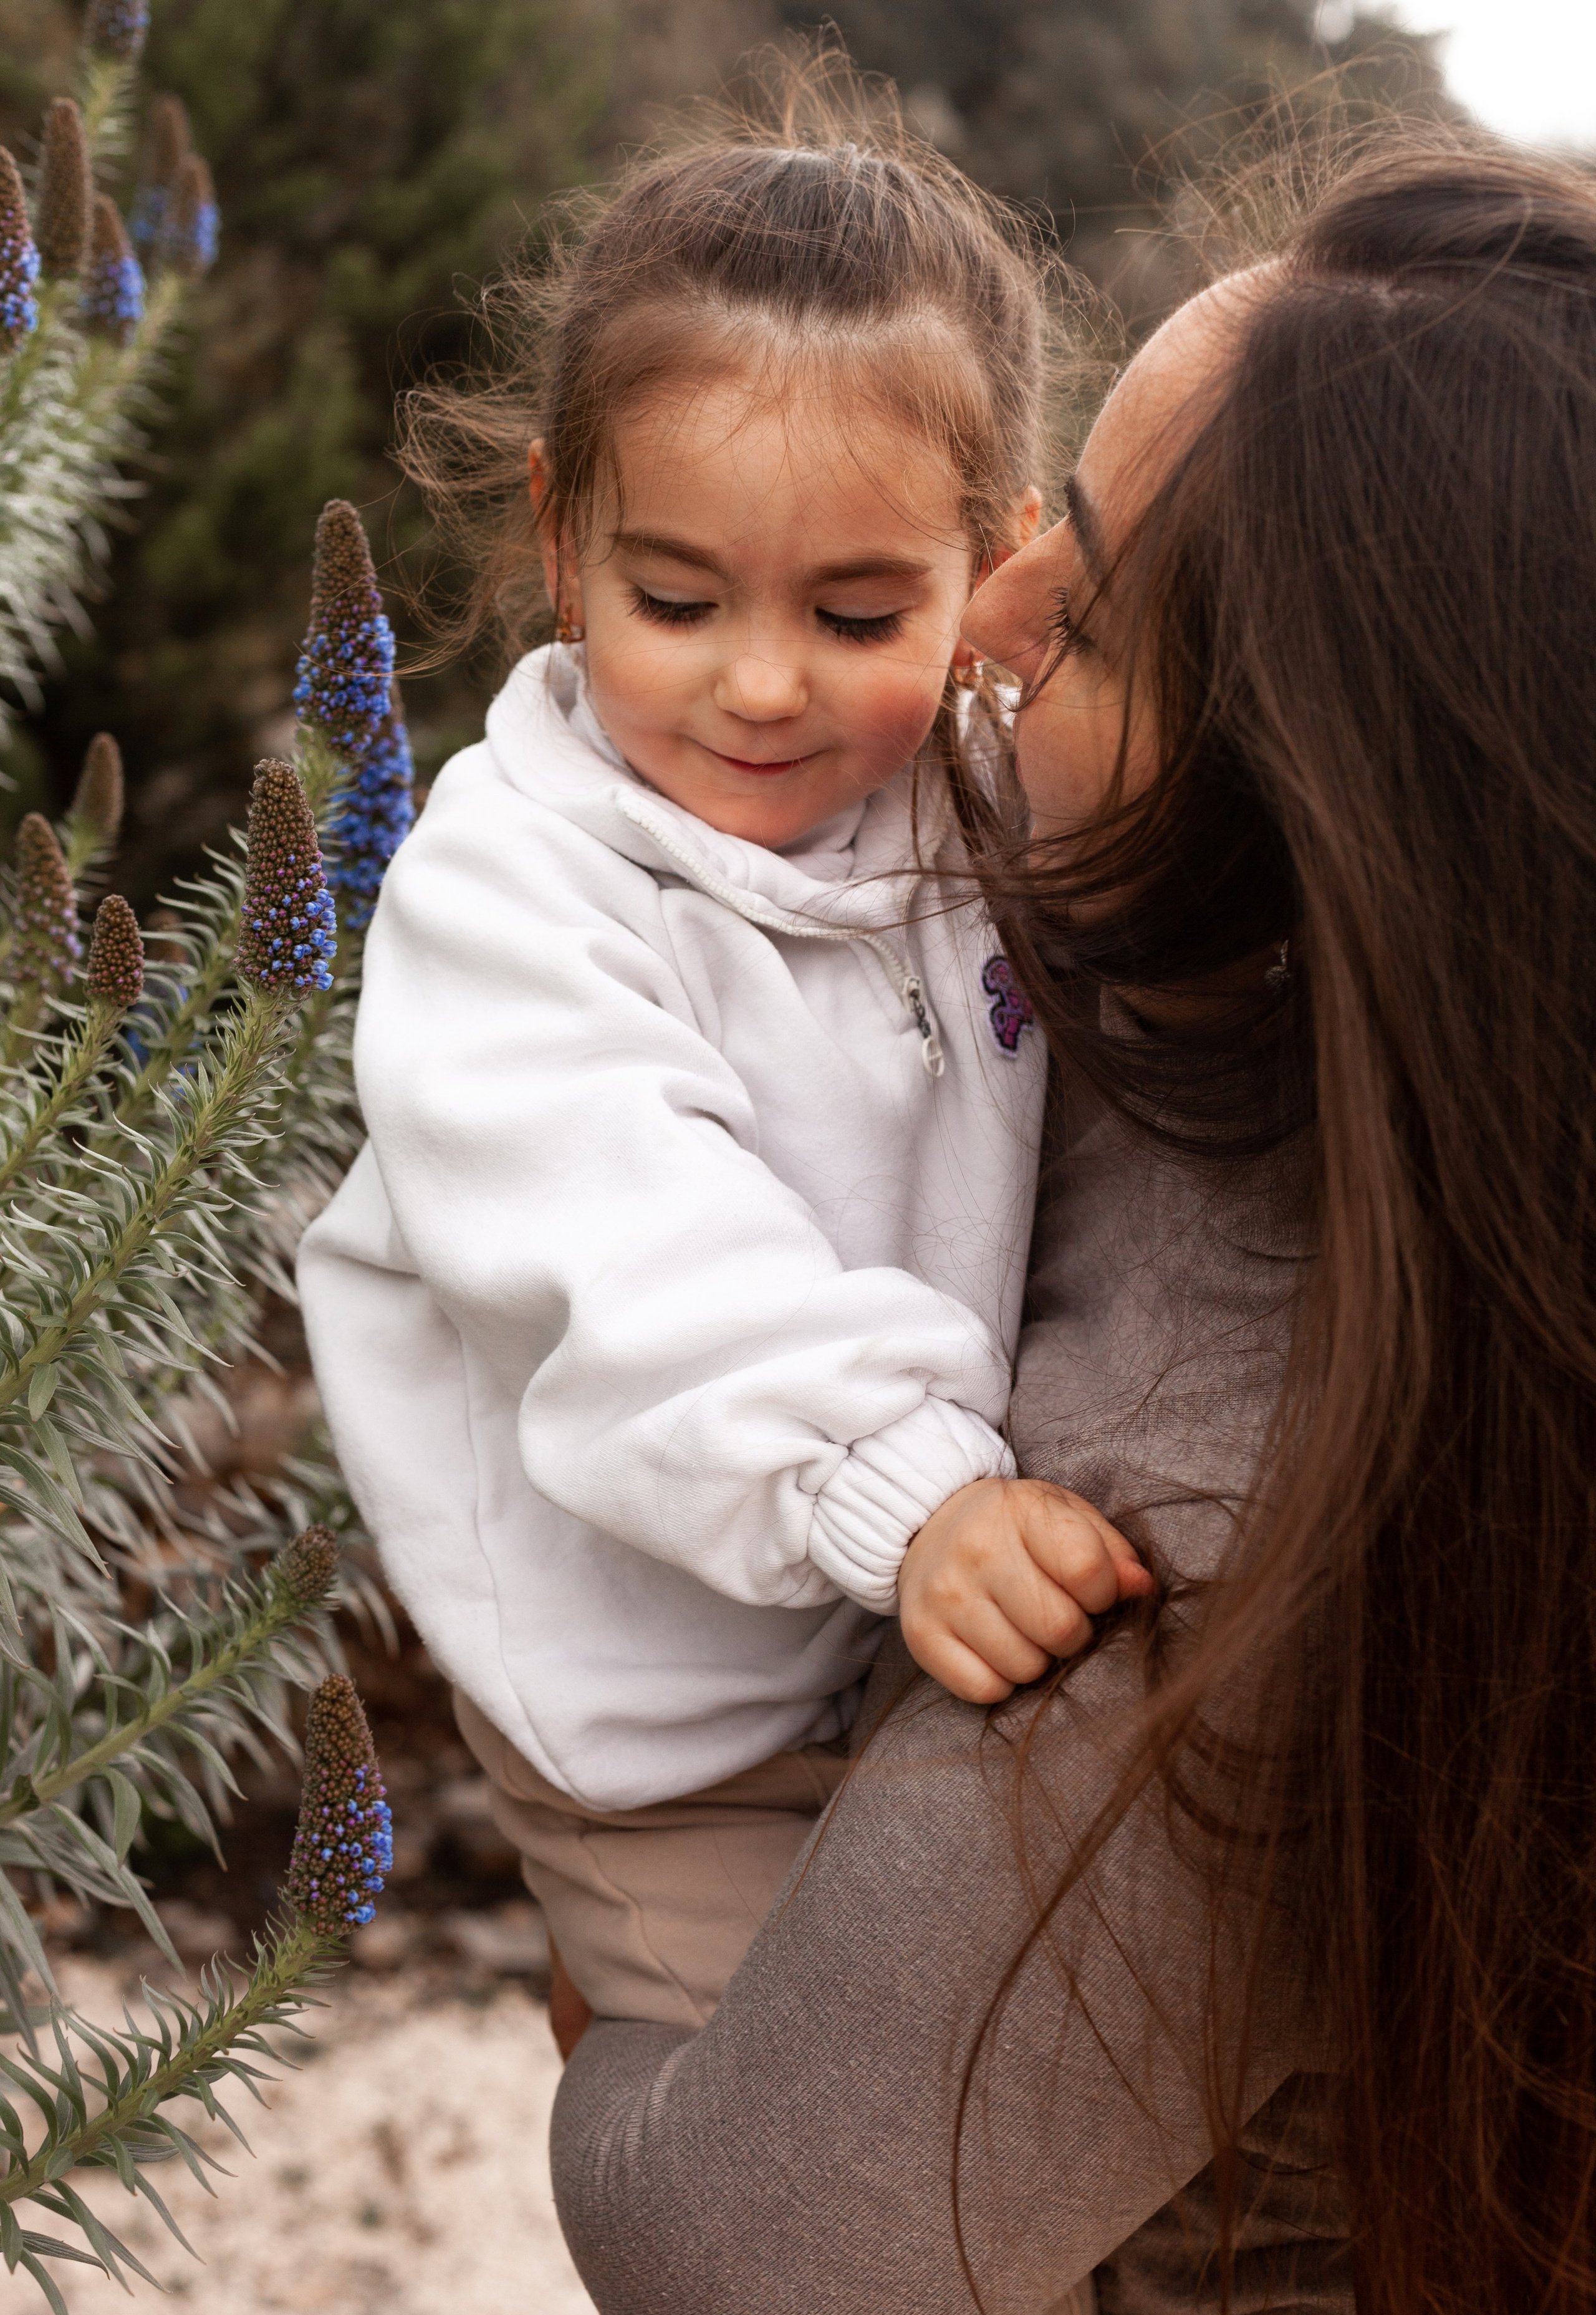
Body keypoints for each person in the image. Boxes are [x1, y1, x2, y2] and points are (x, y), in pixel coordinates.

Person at [546, 133, 1596, 2315]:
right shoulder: (1441, 1184)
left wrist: (611, 2038)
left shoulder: (1206, 1562)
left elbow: (749, 2280)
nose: (987, 620)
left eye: (1092, 614)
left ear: (1309, 808)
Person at [297, 59, 1146, 2149]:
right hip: (666, 1727)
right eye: (680, 599)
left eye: (860, 614)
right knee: (866, 2206)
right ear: (561, 542)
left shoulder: (962, 805)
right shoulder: (514, 885)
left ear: (996, 578)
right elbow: (640, 1249)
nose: (763, 682)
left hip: (886, 1631)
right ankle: (631, 2087)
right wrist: (908, 1490)